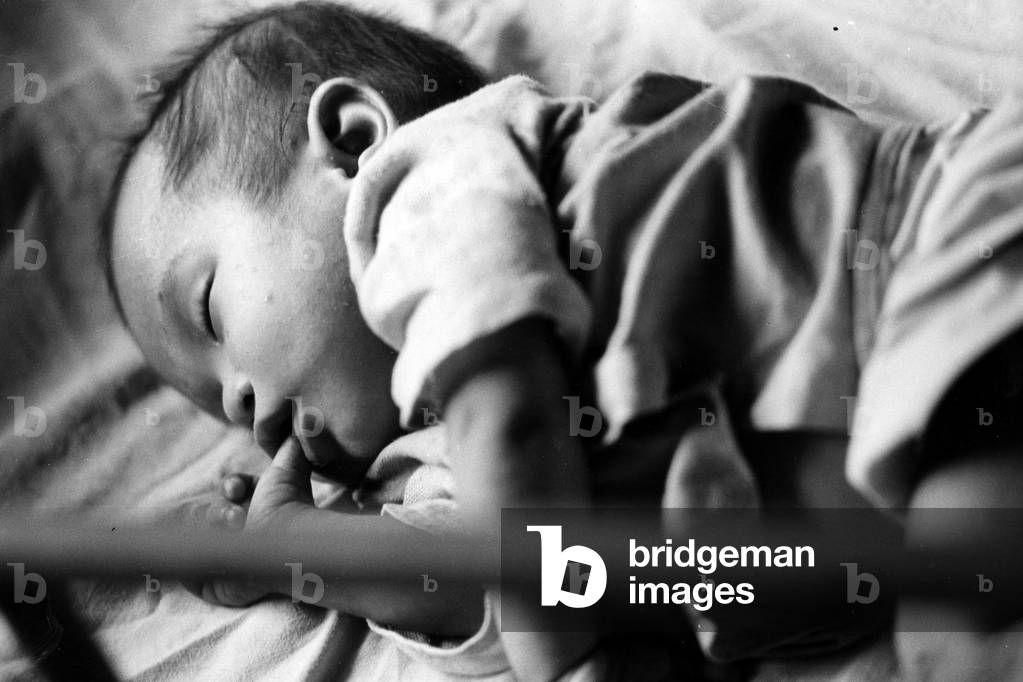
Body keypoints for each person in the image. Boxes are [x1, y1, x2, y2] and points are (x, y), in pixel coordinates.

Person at [103, 1, 1023, 678]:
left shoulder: (429, 189)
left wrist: (567, 663)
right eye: (209, 401)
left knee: (961, 644)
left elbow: (515, 441)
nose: (234, 399)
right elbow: (490, 584)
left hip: (938, 242)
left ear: (348, 142)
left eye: (210, 311)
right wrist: (300, 552)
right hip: (897, 466)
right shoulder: (436, 461)